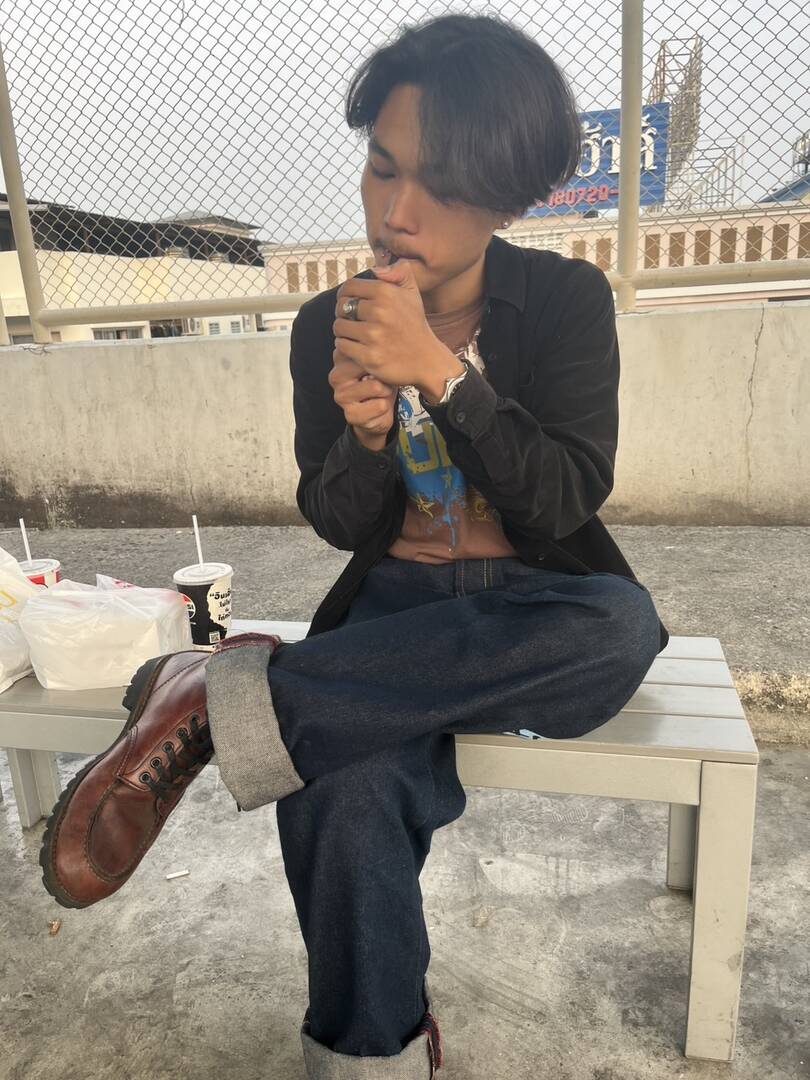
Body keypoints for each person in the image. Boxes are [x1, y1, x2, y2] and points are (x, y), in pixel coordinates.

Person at [39, 13, 669, 1079]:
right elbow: (335, 520)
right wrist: (367, 442)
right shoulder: (324, 322)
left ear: (507, 201)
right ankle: (368, 1058)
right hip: (396, 612)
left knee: (620, 626)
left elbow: (567, 497)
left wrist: (445, 377)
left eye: (442, 187)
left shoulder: (565, 301)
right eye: (382, 167)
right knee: (340, 783)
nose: (395, 211)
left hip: (536, 608)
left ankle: (226, 698)